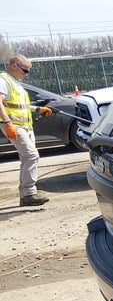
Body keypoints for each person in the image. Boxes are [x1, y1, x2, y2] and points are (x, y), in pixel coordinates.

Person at [0, 54, 54, 206]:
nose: (27, 74)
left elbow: (19, 106)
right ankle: (29, 193)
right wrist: (8, 122)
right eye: (25, 70)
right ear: (14, 66)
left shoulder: (15, 82)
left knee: (26, 157)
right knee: (31, 155)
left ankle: (26, 196)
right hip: (14, 125)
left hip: (25, 126)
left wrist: (38, 109)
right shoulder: (3, 80)